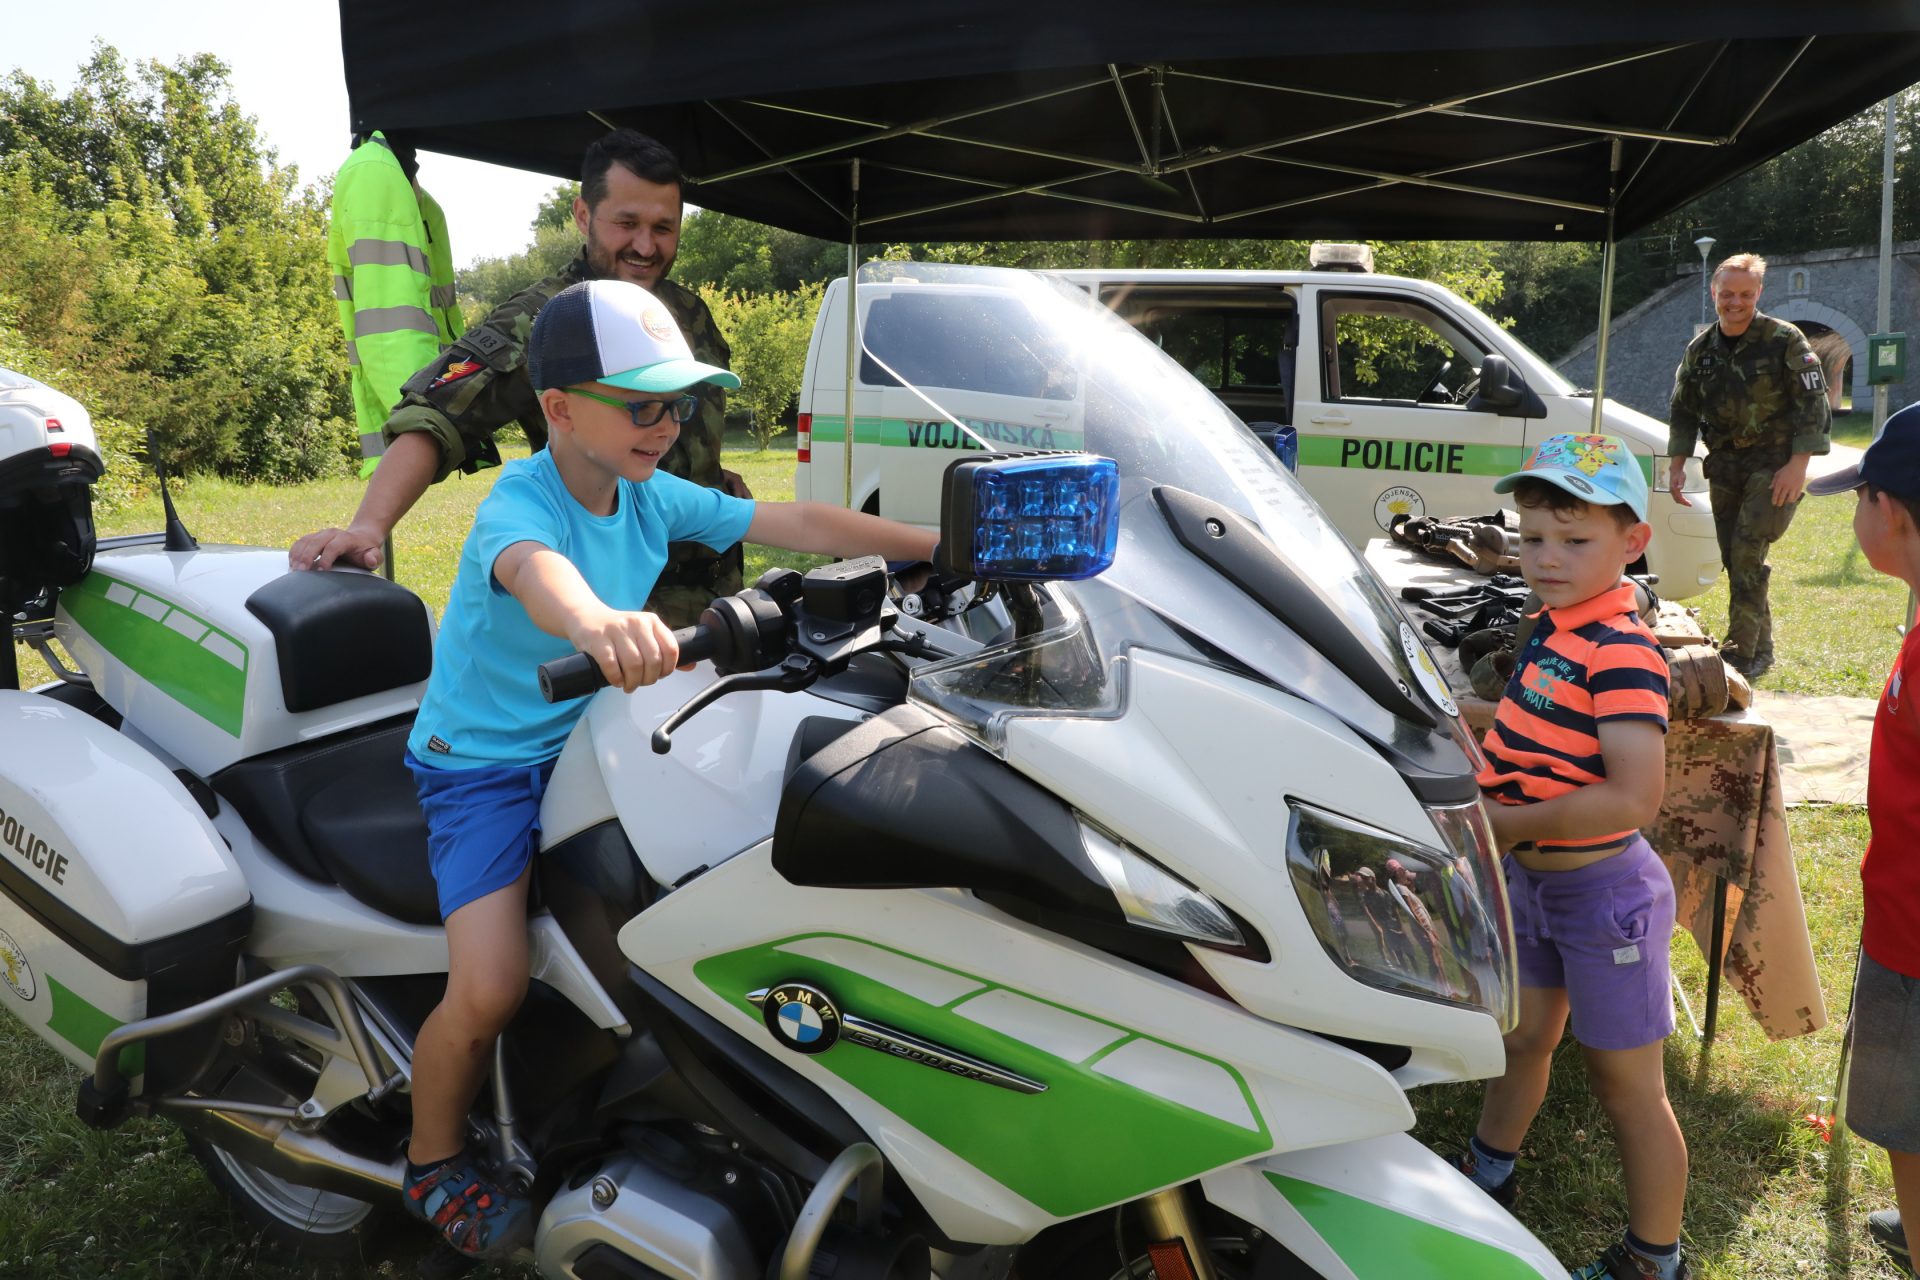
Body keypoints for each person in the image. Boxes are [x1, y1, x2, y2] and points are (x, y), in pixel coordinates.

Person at [395, 278, 937, 1258]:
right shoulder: (519, 502)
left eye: (677, 404)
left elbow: (799, 525)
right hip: (487, 764)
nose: (666, 424)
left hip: (596, 732)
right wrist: (597, 623)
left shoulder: (647, 495)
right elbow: (538, 573)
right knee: (488, 986)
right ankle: (431, 1158)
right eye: (642, 404)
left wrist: (935, 547)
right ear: (559, 410)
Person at [293, 129, 750, 627]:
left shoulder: (689, 313)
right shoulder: (547, 317)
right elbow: (437, 413)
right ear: (583, 216)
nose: (645, 245)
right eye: (626, 223)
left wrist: (710, 475)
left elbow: (681, 422)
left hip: (717, 602)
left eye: (663, 228)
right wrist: (368, 526)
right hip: (616, 614)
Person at [1453, 433, 1687, 1280]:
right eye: (1532, 536)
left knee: (1628, 1087)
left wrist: (1508, 827)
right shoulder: (1555, 628)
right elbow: (1543, 728)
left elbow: (1632, 798)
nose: (1546, 557)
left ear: (1633, 542)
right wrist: (1471, 716)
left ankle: (1654, 1258)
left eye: (1574, 538)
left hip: (1603, 898)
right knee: (1523, 1041)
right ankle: (1488, 1174)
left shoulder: (1620, 649)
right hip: (1536, 886)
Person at [1804, 404, 1920, 1278]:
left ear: (1896, 513)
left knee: (1907, 1126)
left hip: (1915, 942)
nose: (1855, 515)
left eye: (1860, 498)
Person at [1666, 252, 1831, 681]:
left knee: (1746, 552)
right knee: (1737, 558)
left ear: (1759, 293)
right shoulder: (1700, 349)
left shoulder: (1785, 339)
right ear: (1713, 293)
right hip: (1725, 465)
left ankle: (1740, 653)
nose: (1735, 302)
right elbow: (1683, 409)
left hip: (1773, 464)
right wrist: (1677, 463)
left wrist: (1798, 465)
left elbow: (1812, 403)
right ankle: (1762, 649)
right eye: (1727, 294)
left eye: (1744, 294)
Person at [327, 131, 464, 477]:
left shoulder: (405, 188)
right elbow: (387, 324)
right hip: (413, 400)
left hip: (425, 393)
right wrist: (422, 415)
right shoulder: (375, 175)